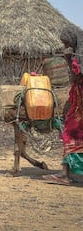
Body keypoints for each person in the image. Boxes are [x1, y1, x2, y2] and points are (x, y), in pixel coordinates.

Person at [42, 26, 83, 185]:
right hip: (77, 103)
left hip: (80, 107)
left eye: (66, 43)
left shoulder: (78, 59)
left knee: (71, 133)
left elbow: (77, 78)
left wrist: (68, 59)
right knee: (70, 133)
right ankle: (65, 173)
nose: (65, 47)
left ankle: (65, 175)